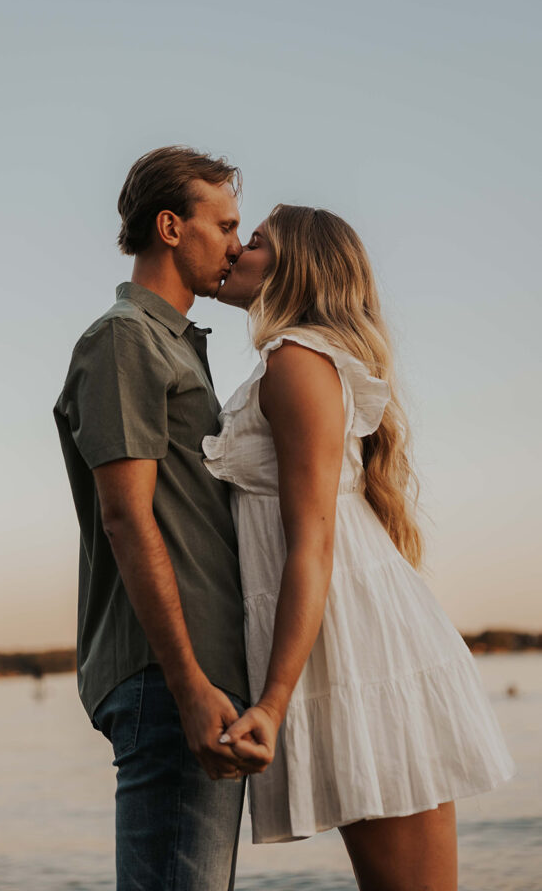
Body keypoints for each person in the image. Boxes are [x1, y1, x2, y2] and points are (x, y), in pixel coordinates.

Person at [203, 205, 514, 891]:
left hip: (354, 645)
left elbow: (310, 545)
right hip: (350, 634)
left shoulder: (297, 362)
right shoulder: (287, 363)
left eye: (253, 242)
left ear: (294, 267)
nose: (236, 251)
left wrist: (273, 702)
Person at [53, 146, 266, 891]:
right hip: (167, 675)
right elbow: (125, 518)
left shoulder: (175, 346)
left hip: (194, 675)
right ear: (171, 227)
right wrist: (187, 682)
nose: (236, 245)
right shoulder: (125, 339)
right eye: (226, 224)